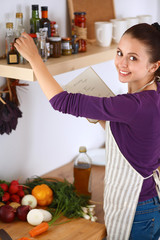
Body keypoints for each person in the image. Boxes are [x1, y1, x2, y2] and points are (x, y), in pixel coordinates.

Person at [14, 23, 160, 240]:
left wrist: (34, 57)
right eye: (120, 53)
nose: (121, 62)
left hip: (136, 209)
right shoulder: (153, 93)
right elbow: (131, 137)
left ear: (154, 66)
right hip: (150, 204)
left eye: (133, 58)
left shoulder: (133, 104)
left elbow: (60, 101)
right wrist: (99, 114)